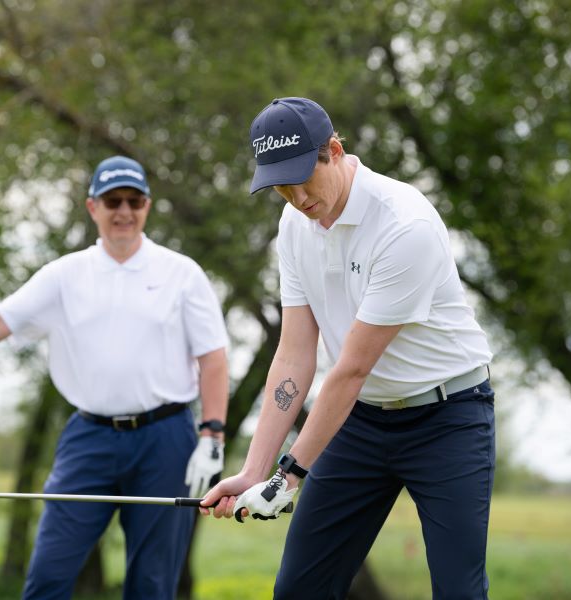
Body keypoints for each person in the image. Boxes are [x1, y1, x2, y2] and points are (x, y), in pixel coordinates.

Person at [0, 155, 229, 600]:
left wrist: (212, 434)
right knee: (48, 576)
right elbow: (1, 321)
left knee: (152, 584)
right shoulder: (65, 275)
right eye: (113, 201)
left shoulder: (181, 273)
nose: (124, 211)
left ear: (147, 206)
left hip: (165, 439)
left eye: (134, 200)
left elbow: (214, 358)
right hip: (89, 438)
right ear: (93, 207)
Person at [201, 97, 495, 599]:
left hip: (447, 421)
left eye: (302, 177)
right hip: (359, 422)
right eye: (280, 186)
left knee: (458, 590)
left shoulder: (406, 225)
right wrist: (255, 470)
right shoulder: (294, 227)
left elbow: (351, 368)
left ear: (333, 151)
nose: (296, 197)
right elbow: (294, 354)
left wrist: (288, 475)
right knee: (299, 589)